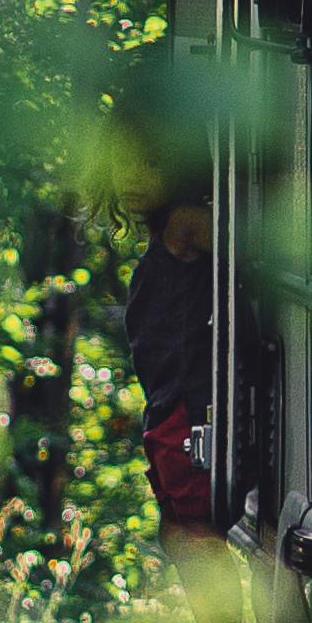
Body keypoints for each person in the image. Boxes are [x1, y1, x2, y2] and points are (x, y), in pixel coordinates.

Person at [124, 188, 218, 532]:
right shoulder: (165, 236)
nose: (133, 179)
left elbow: (247, 246)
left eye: (149, 163)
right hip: (163, 410)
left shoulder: (184, 222)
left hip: (182, 410)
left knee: (193, 534)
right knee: (176, 532)